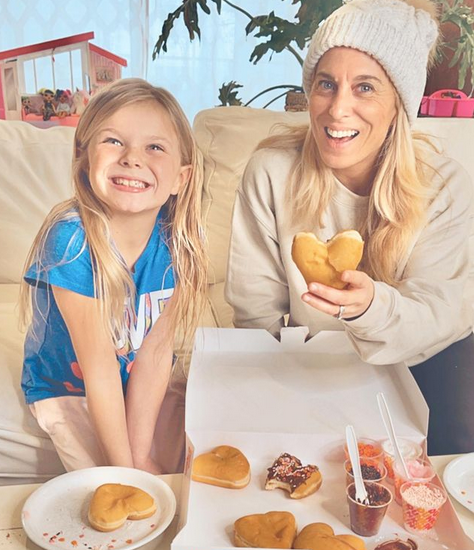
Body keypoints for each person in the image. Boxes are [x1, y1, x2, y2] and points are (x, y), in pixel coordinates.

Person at [225, 0, 474, 456]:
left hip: (426, 358)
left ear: (398, 104)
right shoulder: (271, 171)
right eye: (326, 84)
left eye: (365, 88)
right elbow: (255, 312)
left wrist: (368, 309)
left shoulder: (444, 185)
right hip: (318, 355)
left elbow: (441, 313)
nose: (338, 109)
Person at [20, 78, 207, 473]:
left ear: (180, 178)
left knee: (182, 473)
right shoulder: (69, 241)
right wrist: (128, 473)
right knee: (113, 493)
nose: (132, 159)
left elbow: (156, 355)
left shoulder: (179, 245)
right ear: (85, 161)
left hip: (135, 377)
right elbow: (99, 369)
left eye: (154, 147)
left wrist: (141, 456)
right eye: (114, 141)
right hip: (71, 389)